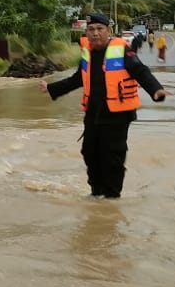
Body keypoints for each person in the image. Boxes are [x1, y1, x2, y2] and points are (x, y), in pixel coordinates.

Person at [38, 12, 167, 199]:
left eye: (99, 29)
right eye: (91, 29)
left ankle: (112, 198)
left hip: (118, 114)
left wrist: (156, 90)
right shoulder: (87, 53)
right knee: (89, 152)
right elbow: (77, 79)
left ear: (108, 31)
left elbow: (141, 71)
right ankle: (96, 193)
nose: (95, 33)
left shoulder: (122, 50)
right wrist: (51, 88)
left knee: (113, 157)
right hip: (93, 113)